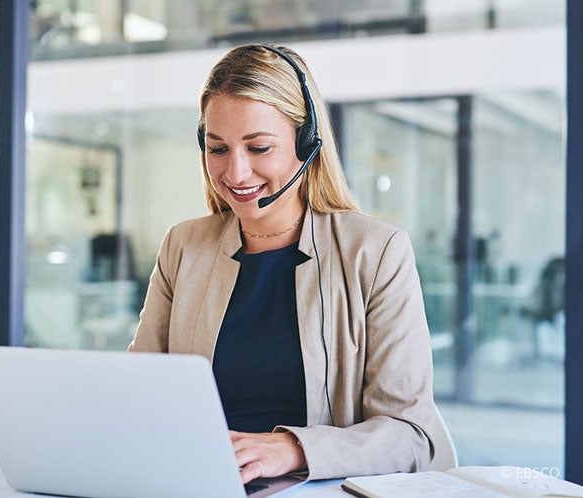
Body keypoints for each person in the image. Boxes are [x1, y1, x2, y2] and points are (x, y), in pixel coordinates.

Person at [128, 44, 435, 482]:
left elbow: (411, 434)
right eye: (218, 149)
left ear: (306, 143)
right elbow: (136, 393)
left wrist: (294, 449)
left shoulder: (374, 251)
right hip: (193, 482)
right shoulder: (184, 245)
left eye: (258, 148)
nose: (235, 173)